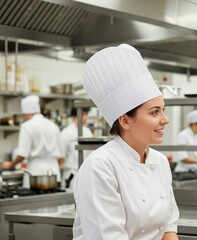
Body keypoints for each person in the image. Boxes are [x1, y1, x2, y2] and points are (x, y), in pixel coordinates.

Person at [72, 44, 179, 240]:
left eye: (163, 110)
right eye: (154, 112)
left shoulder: (160, 161)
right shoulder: (101, 166)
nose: (165, 119)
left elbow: (168, 228)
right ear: (125, 120)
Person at [1, 95, 63, 188]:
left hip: (35, 174)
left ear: (26, 113)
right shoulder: (53, 126)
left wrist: (11, 164)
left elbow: (22, 154)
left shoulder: (27, 126)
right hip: (54, 173)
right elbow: (61, 157)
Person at [59, 107, 93, 189]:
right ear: (74, 117)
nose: (85, 117)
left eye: (86, 115)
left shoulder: (88, 131)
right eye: (82, 115)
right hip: (71, 174)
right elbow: (60, 158)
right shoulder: (65, 133)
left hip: (86, 174)